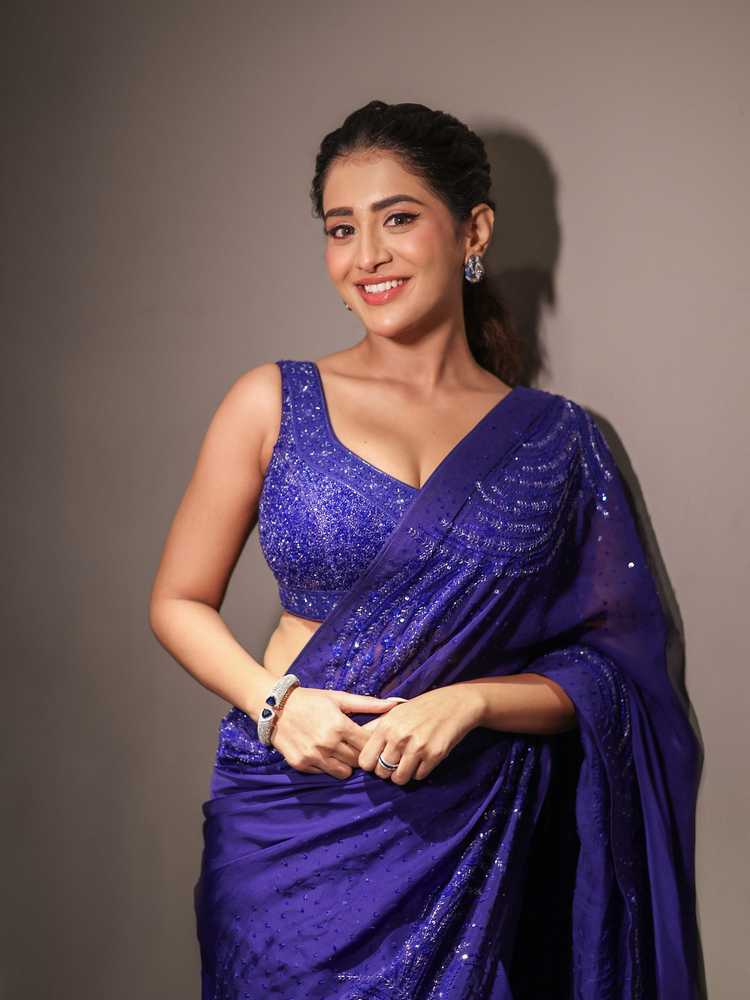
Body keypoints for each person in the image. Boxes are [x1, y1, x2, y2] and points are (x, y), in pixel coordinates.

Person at [149, 100, 701, 999]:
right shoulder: (272, 401)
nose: (366, 254)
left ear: (472, 231)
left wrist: (473, 702)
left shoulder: (558, 442)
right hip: (291, 834)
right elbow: (177, 600)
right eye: (341, 228)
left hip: (470, 840)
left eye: (397, 218)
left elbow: (617, 670)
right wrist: (275, 704)